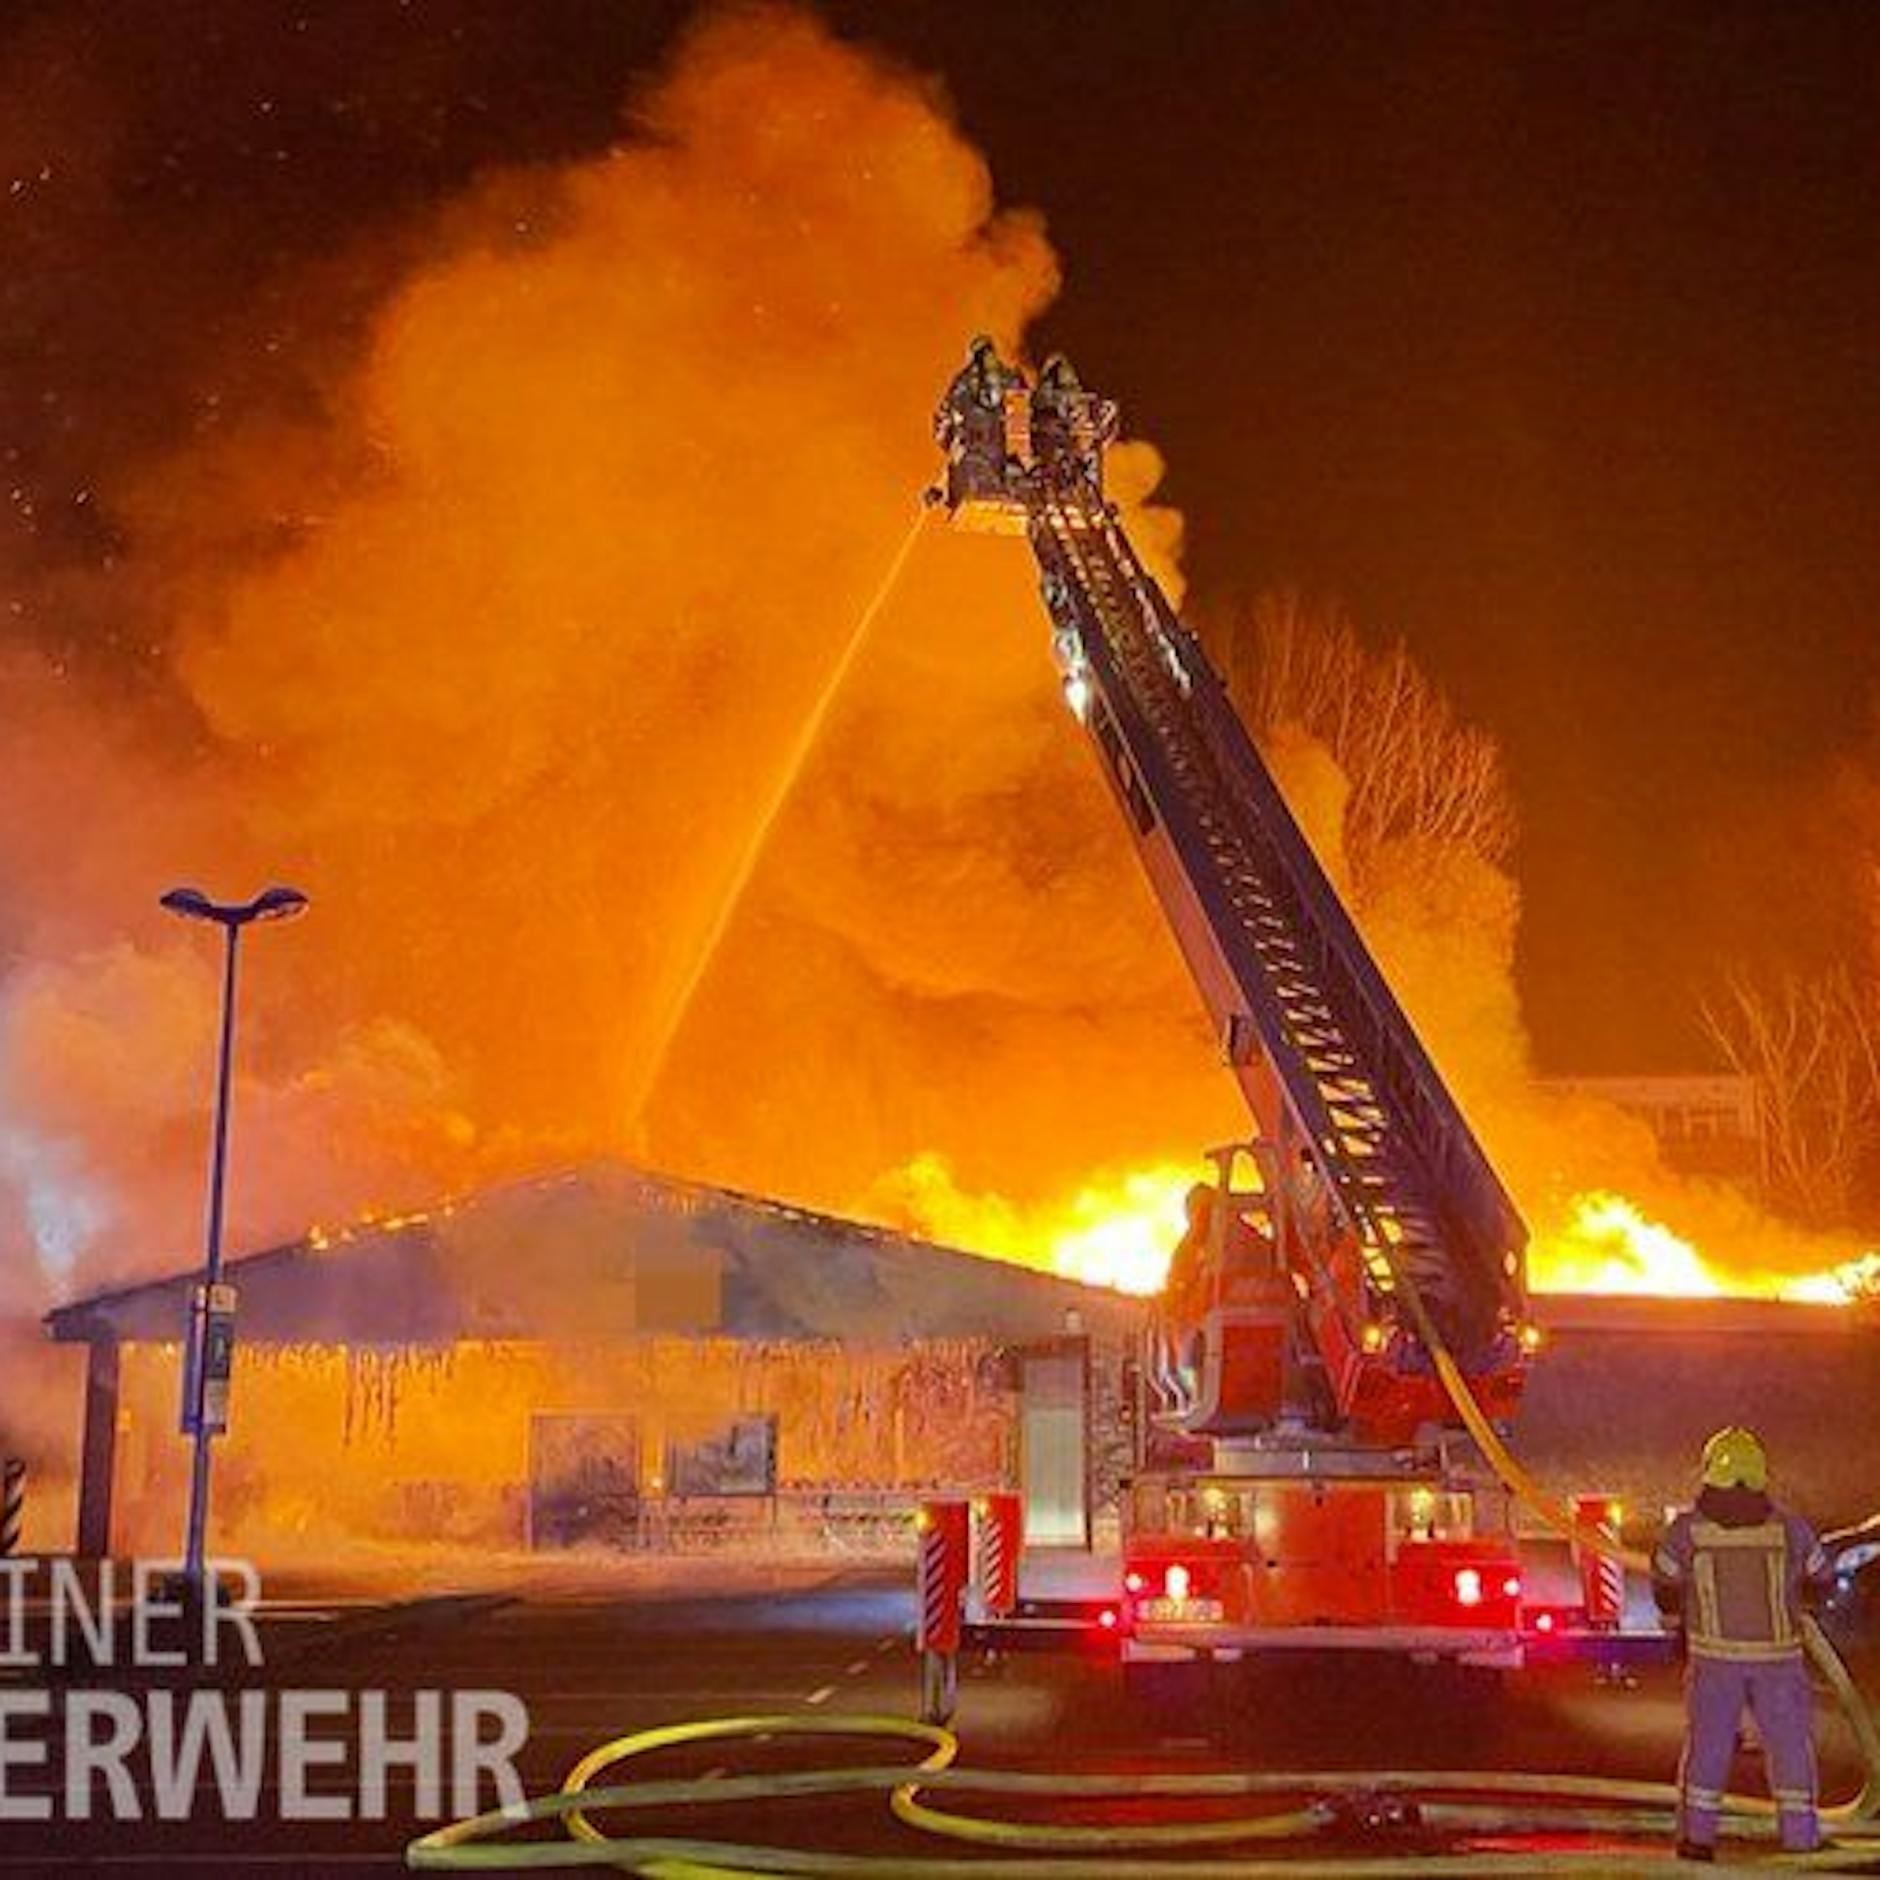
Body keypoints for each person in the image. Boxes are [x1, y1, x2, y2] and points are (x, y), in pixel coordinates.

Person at [1651, 1426, 1835, 1862]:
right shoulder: (1791, 1530)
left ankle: (1697, 1839)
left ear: (1709, 1475)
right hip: (1779, 1661)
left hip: (1713, 1661)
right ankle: (1800, 1838)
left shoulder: (1687, 1531)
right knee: (1789, 1747)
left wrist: (1676, 1627)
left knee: (1708, 1746)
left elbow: (1665, 1582)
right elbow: (1821, 1578)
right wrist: (1804, 1609)